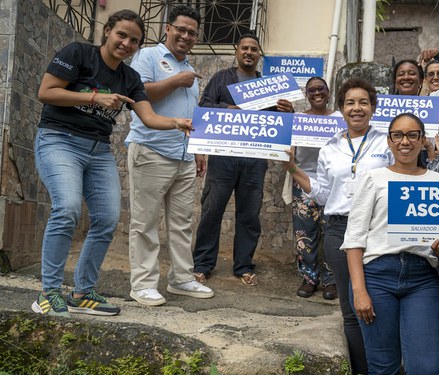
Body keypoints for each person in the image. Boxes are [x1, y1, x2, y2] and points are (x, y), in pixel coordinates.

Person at [31, 10, 193, 317]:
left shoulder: (129, 78)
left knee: (106, 218)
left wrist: (175, 122)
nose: (127, 43)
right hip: (59, 140)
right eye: (122, 35)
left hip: (98, 150)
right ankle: (49, 291)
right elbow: (46, 92)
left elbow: (148, 116)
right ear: (107, 31)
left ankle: (82, 293)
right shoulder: (78, 53)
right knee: (66, 208)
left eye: (134, 40)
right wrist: (94, 98)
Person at [284, 78, 394, 375]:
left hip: (379, 230)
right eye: (350, 102)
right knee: (351, 312)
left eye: (363, 102)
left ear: (373, 107)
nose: (357, 108)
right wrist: (291, 168)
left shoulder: (388, 142)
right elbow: (320, 193)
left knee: (381, 304)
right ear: (341, 109)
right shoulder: (330, 147)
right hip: (339, 230)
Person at [343, 113, 439, 375]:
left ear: (423, 141)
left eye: (412, 135)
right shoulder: (373, 178)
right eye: (397, 136)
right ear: (389, 142)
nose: (405, 141)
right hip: (377, 276)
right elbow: (355, 237)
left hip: (422, 279)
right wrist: (359, 290)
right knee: (383, 368)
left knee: (426, 370)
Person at [125, 4, 213, 306]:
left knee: (182, 222)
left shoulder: (190, 69)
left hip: (184, 156)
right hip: (151, 151)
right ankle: (143, 284)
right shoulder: (147, 56)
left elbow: (191, 114)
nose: (186, 36)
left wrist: (198, 150)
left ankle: (181, 279)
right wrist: (177, 80)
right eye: (181, 29)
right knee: (144, 221)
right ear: (168, 28)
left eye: (192, 32)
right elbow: (139, 94)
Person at [191, 33, 294, 288]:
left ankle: (244, 266)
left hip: (255, 159)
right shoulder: (221, 78)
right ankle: (203, 265)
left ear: (260, 54)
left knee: (249, 215)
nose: (249, 52)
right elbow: (204, 106)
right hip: (223, 158)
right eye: (245, 48)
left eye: (254, 49)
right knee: (212, 211)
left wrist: (287, 111)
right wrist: (228, 110)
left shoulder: (268, 86)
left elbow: (278, 123)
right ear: (237, 51)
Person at [291, 76, 338, 299]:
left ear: (328, 92)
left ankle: (332, 281)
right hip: (304, 182)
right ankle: (309, 278)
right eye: (311, 90)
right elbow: (290, 150)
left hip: (334, 184)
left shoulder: (340, 119)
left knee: (332, 233)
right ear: (307, 95)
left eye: (321, 89)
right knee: (305, 233)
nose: (317, 93)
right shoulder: (298, 119)